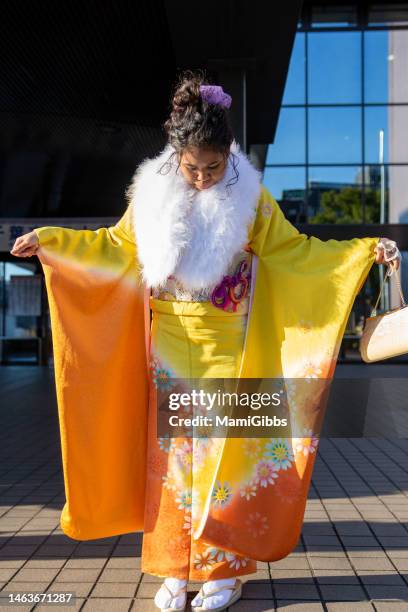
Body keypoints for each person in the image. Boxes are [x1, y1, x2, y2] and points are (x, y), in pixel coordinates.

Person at [11, 71, 401, 612]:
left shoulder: (253, 200)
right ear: (176, 157)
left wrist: (361, 251)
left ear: (228, 156)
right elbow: (114, 246)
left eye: (213, 168)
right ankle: (174, 566)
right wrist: (51, 244)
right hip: (168, 345)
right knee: (171, 460)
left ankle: (225, 567)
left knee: (226, 458)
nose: (201, 178)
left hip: (232, 345)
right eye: (191, 168)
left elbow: (298, 252)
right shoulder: (149, 193)